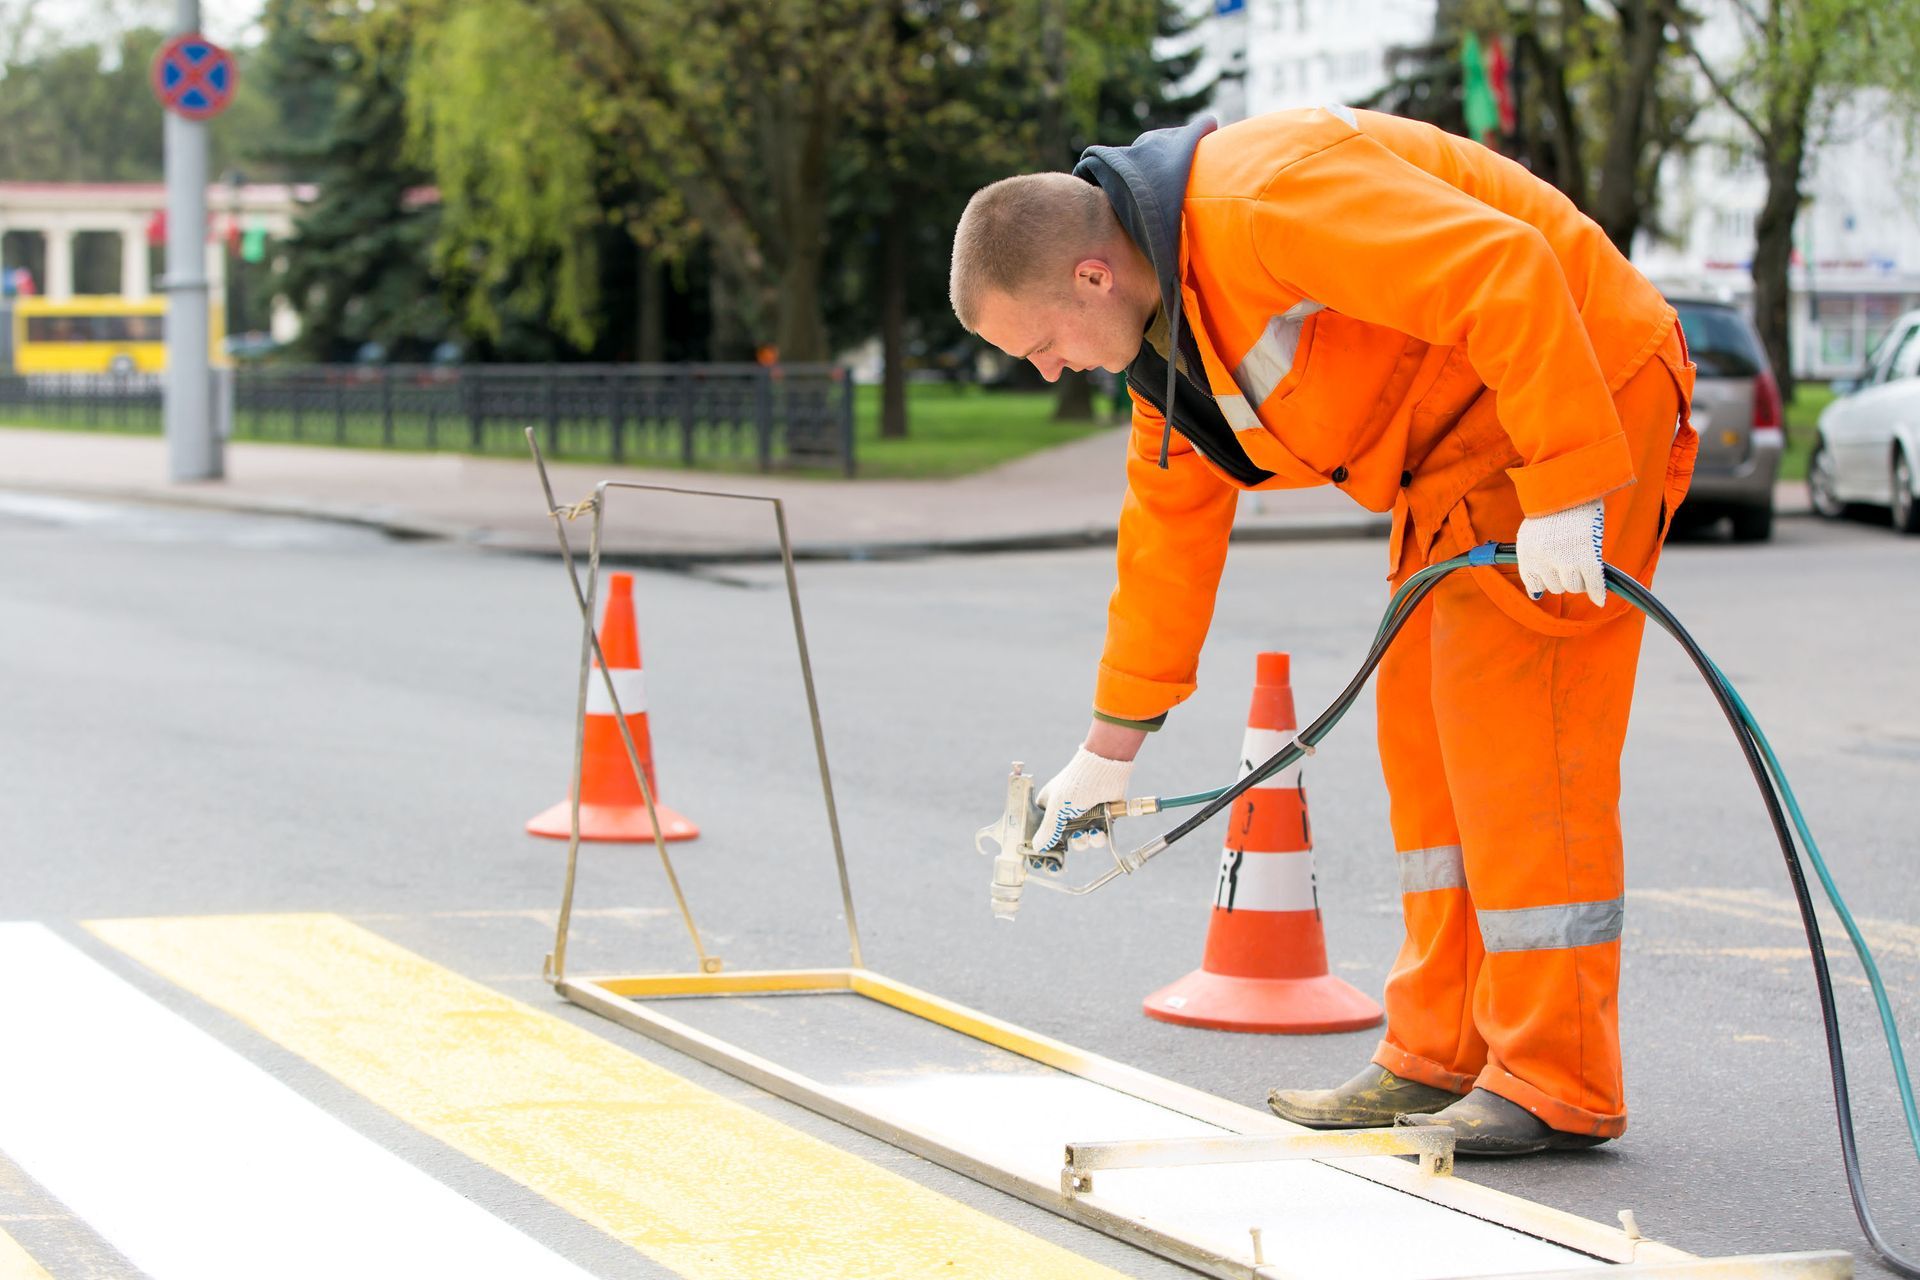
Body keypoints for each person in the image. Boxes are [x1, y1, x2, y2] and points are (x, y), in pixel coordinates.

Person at [948, 106, 1696, 1155]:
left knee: (1525, 747)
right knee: (1428, 759)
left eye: (1037, 345)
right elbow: (1165, 538)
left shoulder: (1261, 200)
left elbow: (1506, 267)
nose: (1046, 369)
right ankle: (1437, 1056)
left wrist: (1571, 481)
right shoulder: (1171, 354)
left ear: (1090, 277)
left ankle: (1553, 1076)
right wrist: (1105, 756)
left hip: (1578, 389)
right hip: (1463, 451)